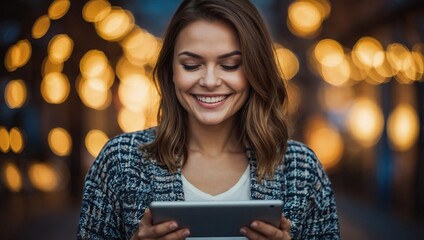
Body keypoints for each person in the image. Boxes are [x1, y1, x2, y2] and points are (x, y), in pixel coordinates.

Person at [77, 0, 340, 239]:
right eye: (192, 65)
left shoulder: (302, 169)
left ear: (255, 71)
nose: (210, 81)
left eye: (230, 65)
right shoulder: (120, 162)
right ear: (170, 71)